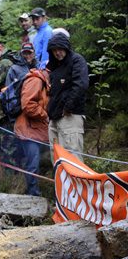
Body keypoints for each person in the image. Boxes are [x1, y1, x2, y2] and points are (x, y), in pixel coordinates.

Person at [46, 32, 89, 163]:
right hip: (55, 117)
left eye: (60, 48)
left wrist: (68, 107)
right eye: (54, 50)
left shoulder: (76, 60)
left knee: (72, 158)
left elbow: (80, 85)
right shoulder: (55, 67)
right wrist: (50, 112)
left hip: (70, 116)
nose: (57, 52)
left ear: (66, 47)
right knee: (57, 159)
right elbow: (53, 92)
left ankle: (77, 184)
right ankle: (59, 184)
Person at [15, 67, 50, 196]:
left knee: (35, 162)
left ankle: (37, 192)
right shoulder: (36, 81)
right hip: (27, 129)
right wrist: (45, 116)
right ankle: (33, 195)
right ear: (45, 70)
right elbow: (28, 105)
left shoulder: (44, 83)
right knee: (32, 163)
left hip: (36, 129)